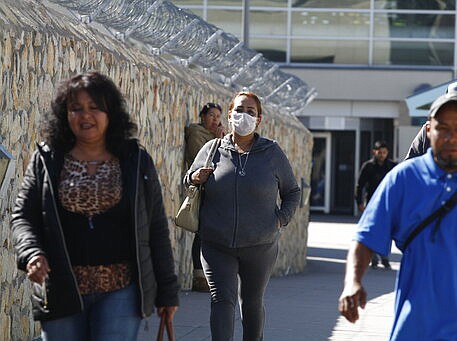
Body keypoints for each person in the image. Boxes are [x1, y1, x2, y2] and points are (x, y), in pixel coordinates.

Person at [11, 72, 179, 340]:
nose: (84, 116)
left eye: (94, 108)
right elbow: (24, 216)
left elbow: (156, 228)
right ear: (64, 115)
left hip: (121, 291)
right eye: (75, 109)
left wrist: (167, 291)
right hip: (62, 291)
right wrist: (32, 253)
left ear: (110, 112)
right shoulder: (48, 159)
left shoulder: (135, 160)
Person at [339, 92, 457, 340]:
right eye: (442, 128)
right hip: (415, 328)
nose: (451, 138)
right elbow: (366, 238)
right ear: (428, 130)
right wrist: (352, 282)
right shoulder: (403, 179)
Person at [184, 91, 301, 341]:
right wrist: (194, 178)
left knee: (251, 303)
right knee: (222, 301)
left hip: (260, 245)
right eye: (239, 110)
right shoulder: (213, 148)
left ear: (258, 120)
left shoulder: (271, 152)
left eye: (250, 112)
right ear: (229, 114)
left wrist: (280, 219)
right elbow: (189, 178)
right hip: (216, 243)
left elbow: (292, 191)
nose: (243, 116)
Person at [184, 102, 225, 292]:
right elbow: (197, 159)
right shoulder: (196, 132)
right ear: (202, 116)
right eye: (211, 115)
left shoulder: (221, 137)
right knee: (201, 233)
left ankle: (211, 275)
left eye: (218, 116)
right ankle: (198, 277)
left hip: (218, 192)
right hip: (200, 189)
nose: (215, 119)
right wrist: (217, 142)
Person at [354, 140, 397, 269]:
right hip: (371, 203)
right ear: (375, 152)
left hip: (388, 203)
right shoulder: (368, 166)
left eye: (384, 152)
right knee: (372, 230)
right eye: (379, 152)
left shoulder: (392, 166)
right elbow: (360, 185)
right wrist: (359, 202)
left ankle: (384, 257)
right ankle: (373, 258)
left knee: (387, 231)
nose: (382, 155)